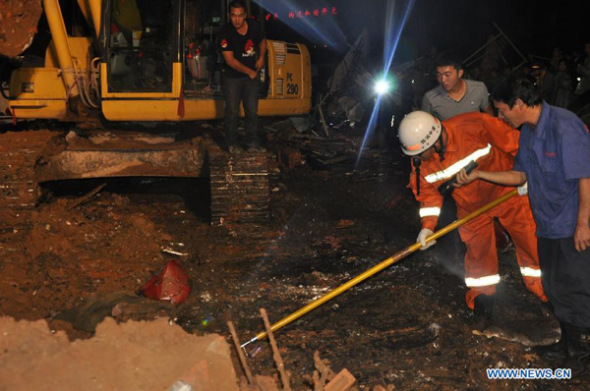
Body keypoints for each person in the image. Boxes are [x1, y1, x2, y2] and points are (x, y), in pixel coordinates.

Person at [456, 75, 590, 376]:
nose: (500, 116)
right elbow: (520, 176)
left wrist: (584, 223)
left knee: (576, 286)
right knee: (554, 286)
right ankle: (567, 343)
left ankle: (582, 354)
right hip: (546, 223)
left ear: (519, 104)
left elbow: (586, 176)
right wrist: (480, 176)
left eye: (503, 110)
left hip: (572, 224)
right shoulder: (528, 133)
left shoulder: (564, 126)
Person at [398, 110, 547, 330]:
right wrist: (428, 227)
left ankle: (545, 291)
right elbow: (429, 195)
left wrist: (527, 175)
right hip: (471, 208)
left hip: (508, 193)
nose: (419, 158)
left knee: (530, 243)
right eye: (416, 155)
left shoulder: (473, 124)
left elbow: (517, 144)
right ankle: (483, 302)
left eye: (422, 152)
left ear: (436, 140)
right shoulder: (420, 161)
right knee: (479, 259)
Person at [218, 0, 266, 153]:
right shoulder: (225, 33)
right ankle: (232, 144)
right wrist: (250, 72)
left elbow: (262, 41)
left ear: (245, 15)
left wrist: (261, 57)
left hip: (251, 78)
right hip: (232, 78)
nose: (237, 20)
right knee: (232, 112)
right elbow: (230, 61)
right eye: (233, 16)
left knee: (252, 111)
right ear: (229, 16)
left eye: (240, 16)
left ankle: (252, 142)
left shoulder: (253, 26)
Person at [421, 55, 494, 121]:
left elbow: (488, 111)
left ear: (460, 73)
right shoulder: (430, 98)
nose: (443, 80)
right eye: (439, 75)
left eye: (447, 75)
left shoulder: (479, 88)